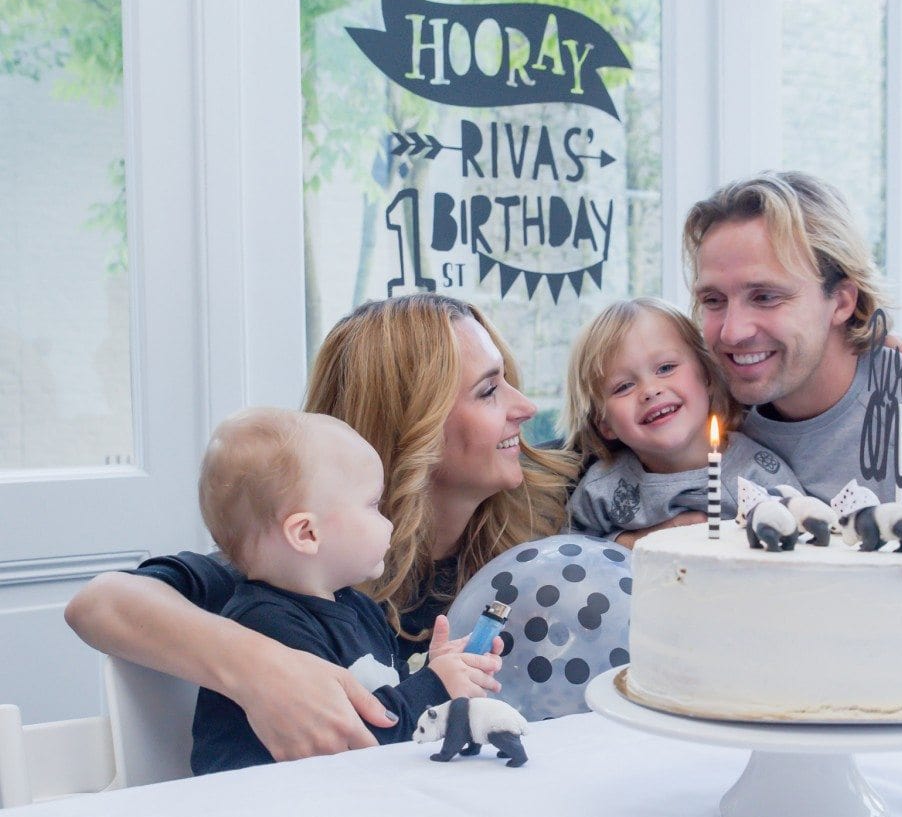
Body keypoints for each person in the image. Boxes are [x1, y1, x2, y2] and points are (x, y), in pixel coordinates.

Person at [65, 295, 577, 760]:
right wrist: (262, 669)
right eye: (489, 390)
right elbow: (99, 603)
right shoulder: (295, 573)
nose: (526, 407)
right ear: (412, 423)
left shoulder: (554, 524)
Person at [682, 170, 902, 540]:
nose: (732, 332)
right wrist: (633, 541)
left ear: (842, 301)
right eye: (713, 301)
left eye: (766, 297)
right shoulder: (701, 412)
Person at [192, 408, 498, 774]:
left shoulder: (359, 608)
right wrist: (435, 686)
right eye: (373, 505)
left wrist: (432, 670)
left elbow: (384, 697)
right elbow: (354, 738)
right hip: (259, 816)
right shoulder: (268, 627)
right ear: (307, 534)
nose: (388, 522)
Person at [563, 298, 801, 544]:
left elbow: (802, 549)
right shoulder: (601, 489)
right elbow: (567, 554)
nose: (650, 390)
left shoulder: (758, 473)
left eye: (665, 368)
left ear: (707, 375)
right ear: (604, 423)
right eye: (623, 386)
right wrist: (628, 542)